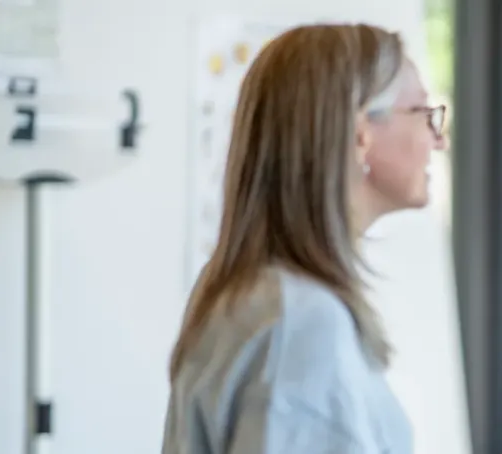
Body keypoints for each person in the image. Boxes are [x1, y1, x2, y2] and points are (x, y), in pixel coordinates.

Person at [161, 23, 447, 453]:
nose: (438, 139)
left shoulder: (253, 295)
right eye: (423, 113)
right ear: (360, 133)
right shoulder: (301, 323)